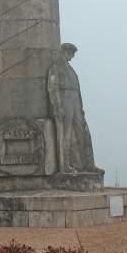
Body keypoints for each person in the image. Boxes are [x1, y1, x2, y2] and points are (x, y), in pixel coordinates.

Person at [47, 43, 95, 173]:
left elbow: (78, 91)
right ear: (64, 52)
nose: (72, 56)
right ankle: (66, 164)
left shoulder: (71, 70)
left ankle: (83, 164)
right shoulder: (56, 68)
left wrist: (81, 107)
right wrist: (57, 106)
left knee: (80, 133)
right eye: (71, 53)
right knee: (66, 133)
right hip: (65, 99)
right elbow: (53, 88)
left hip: (75, 102)